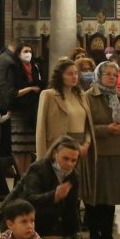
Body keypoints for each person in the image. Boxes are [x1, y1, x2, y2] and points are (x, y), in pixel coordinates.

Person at [0, 137, 83, 239]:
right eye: (65, 158)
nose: (69, 164)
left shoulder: (74, 175)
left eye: (74, 160)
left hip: (47, 219)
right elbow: (29, 200)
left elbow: (72, 210)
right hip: (19, 216)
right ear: (55, 154)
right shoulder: (38, 168)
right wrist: (54, 195)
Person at [85, 61, 120, 239]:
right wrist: (107, 129)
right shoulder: (88, 97)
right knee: (96, 196)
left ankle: (107, 236)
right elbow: (85, 126)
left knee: (111, 197)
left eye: (115, 74)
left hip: (117, 151)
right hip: (98, 152)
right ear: (99, 76)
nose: (112, 78)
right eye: (108, 74)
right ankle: (94, 237)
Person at [34, 59, 97, 206]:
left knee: (76, 192)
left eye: (76, 73)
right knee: (58, 192)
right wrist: (42, 158)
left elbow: (88, 124)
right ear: (60, 75)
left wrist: (86, 143)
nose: (74, 77)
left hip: (81, 147)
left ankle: (74, 222)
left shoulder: (81, 95)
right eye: (70, 74)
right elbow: (41, 128)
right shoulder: (48, 95)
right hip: (59, 147)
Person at [0, 43, 44, 175]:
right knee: (19, 148)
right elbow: (12, 92)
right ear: (18, 54)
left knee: (28, 148)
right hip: (18, 110)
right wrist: (30, 88)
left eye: (30, 51)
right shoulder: (14, 68)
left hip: (31, 111)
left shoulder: (35, 67)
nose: (28, 53)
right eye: (25, 51)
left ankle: (26, 177)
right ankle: (21, 177)